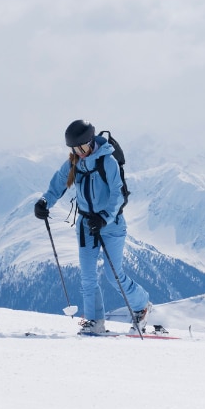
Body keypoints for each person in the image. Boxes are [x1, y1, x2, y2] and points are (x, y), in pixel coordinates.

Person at [33, 120, 152, 335]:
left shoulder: (107, 162)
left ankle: (141, 306)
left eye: (83, 147)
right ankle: (94, 321)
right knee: (87, 277)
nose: (80, 152)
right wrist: (44, 202)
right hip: (86, 225)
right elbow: (57, 184)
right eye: (75, 149)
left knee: (113, 274)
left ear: (91, 142)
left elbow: (117, 194)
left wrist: (105, 217)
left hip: (111, 225)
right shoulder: (73, 163)